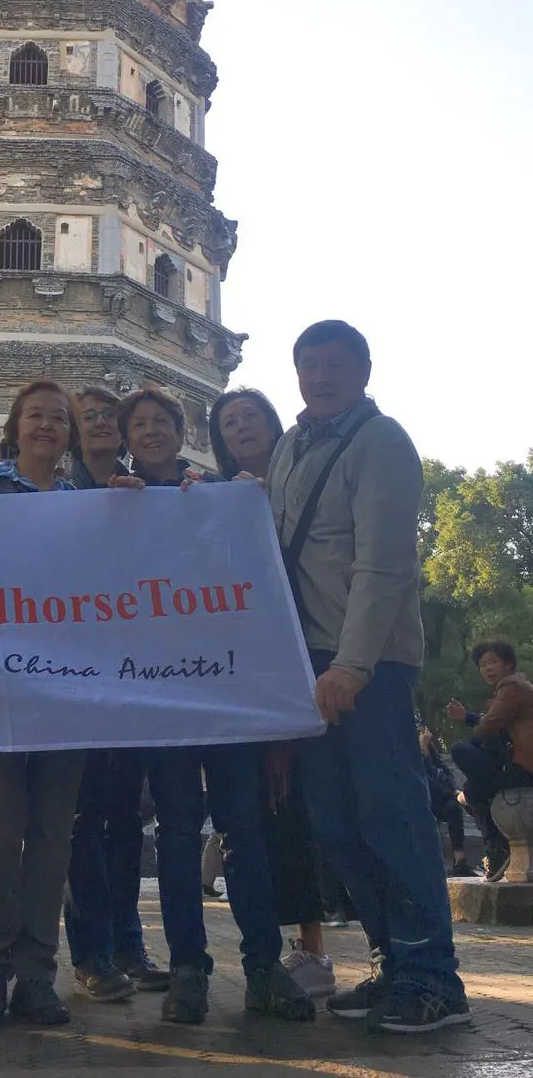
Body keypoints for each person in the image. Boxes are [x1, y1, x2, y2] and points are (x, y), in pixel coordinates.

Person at [268, 320, 469, 1033]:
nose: (319, 377)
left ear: (363, 370)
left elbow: (383, 566)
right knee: (338, 826)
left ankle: (432, 980)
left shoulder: (382, 443)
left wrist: (353, 665)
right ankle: (393, 963)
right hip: (309, 665)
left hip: (369, 665)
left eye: (333, 365)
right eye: (308, 365)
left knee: (393, 819)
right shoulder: (291, 445)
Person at [117, 386, 313, 1027]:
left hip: (224, 689)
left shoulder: (217, 494)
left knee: (242, 830)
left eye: (161, 423)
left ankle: (262, 966)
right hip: (161, 694)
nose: (150, 433)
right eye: (139, 424)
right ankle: (189, 971)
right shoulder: (112, 504)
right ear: (128, 438)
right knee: (176, 836)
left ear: (181, 431)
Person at [0, 380, 87, 1028]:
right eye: (36, 416)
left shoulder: (85, 500)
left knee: (53, 836)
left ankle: (37, 974)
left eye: (59, 419)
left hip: (66, 686)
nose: (47, 427)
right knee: (0, 830)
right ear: (15, 424)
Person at [210, 388, 337, 999]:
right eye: (228, 421)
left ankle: (338, 945)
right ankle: (299, 950)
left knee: (320, 806)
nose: (240, 428)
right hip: (247, 676)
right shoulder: (215, 498)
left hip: (313, 659)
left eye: (250, 417)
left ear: (272, 423)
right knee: (269, 814)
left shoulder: (301, 484)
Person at [64, 387, 165, 1004]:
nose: (100, 424)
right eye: (88, 417)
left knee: (126, 819)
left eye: (110, 416)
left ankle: (128, 942)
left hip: (133, 676)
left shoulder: (143, 493)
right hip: (73, 677)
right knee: (84, 821)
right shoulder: (57, 492)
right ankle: (94, 953)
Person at [449, 638, 533, 880]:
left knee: (459, 750)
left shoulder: (512, 687)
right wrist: (471, 720)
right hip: (517, 764)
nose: (487, 668)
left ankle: (496, 847)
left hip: (523, 769)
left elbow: (488, 726)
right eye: (482, 664)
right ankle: (496, 849)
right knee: (472, 787)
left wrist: (470, 720)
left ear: (508, 664)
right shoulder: (514, 688)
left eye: (493, 662)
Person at [418, 730, 473, 877]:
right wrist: (453, 794)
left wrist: (452, 792)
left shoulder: (435, 758)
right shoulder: (412, 755)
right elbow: (420, 778)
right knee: (455, 802)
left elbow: (447, 776)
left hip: (440, 799)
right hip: (419, 799)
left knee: (453, 808)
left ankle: (460, 861)